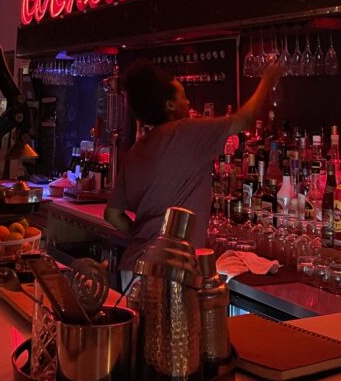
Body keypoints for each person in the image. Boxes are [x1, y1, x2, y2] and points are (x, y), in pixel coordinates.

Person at [105, 58, 282, 272]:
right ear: (169, 105)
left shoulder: (136, 151)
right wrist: (269, 77)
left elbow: (112, 213)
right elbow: (244, 119)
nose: (188, 103)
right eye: (182, 96)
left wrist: (146, 237)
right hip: (170, 274)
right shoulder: (185, 133)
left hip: (134, 268)